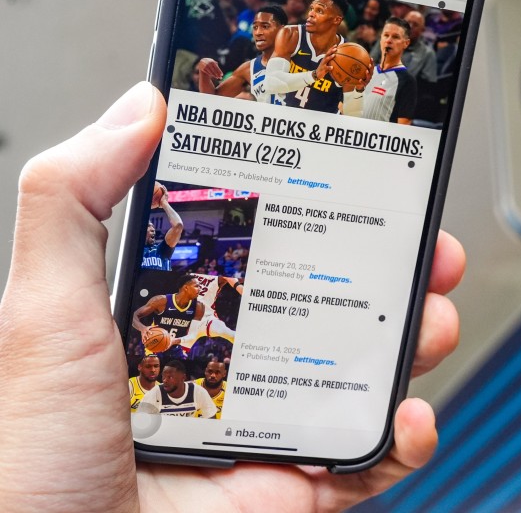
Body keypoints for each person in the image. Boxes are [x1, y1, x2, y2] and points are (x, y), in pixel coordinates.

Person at [0, 81, 465, 510]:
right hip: (169, 350)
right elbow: (142, 313)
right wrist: (145, 329)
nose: (192, 280)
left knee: (242, 339)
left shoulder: (196, 292)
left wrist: (168, 212)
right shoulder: (159, 299)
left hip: (196, 336)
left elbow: (189, 243)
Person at [260, 0, 370, 112]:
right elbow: (271, 83)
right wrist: (314, 75)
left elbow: (352, 114)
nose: (311, 14)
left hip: (320, 125)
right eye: (311, 8)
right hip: (285, 117)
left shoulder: (347, 55)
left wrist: (358, 90)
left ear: (336, 20)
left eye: (319, 11)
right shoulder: (291, 35)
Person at [195, 5, 287, 101]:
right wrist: (203, 71)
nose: (258, 32)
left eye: (265, 26)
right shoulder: (249, 69)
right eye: (255, 27)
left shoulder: (301, 58)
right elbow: (212, 99)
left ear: (282, 30)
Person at [362, 17, 417, 125]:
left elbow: (404, 125)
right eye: (386, 35)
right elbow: (344, 108)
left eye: (395, 37)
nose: (389, 40)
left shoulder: (407, 81)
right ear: (381, 38)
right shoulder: (366, 70)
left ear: (406, 43)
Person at [132, 273, 206, 353]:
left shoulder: (198, 307)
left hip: (176, 347)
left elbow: (194, 334)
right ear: (186, 288)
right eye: (197, 286)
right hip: (153, 344)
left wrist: (173, 341)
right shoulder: (161, 301)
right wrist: (143, 328)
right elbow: (134, 316)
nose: (200, 289)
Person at [140, 359, 218, 418]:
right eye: (163, 376)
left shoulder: (197, 391)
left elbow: (211, 418)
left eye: (170, 377)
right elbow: (141, 421)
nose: (165, 380)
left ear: (183, 378)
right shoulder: (155, 393)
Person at [141, 182, 184, 270]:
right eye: (148, 226)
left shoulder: (162, 250)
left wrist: (164, 203)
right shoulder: (131, 252)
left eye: (153, 226)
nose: (153, 229)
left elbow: (178, 226)